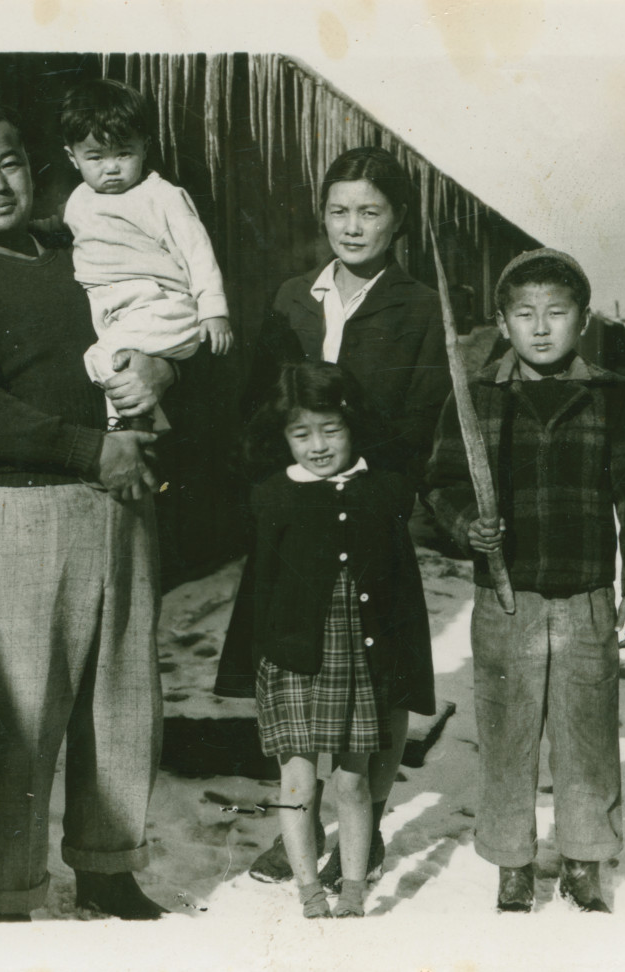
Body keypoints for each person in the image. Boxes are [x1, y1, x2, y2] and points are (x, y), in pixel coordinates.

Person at [0, 102, 177, 922]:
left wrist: (160, 370)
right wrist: (94, 450)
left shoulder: (81, 255)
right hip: (17, 515)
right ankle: (8, 893)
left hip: (121, 500)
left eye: (10, 161)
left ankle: (109, 866)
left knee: (123, 698)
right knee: (14, 718)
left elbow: (150, 316)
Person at [219, 146, 448, 890]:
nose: (353, 227)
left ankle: (368, 827)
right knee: (294, 678)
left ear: (399, 220)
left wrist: (382, 497)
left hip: (371, 519)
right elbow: (258, 406)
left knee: (376, 683)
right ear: (323, 214)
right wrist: (271, 492)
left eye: (371, 212)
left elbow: (418, 425)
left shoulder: (417, 307)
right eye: (340, 210)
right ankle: (302, 829)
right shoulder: (294, 296)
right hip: (295, 524)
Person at [425, 247, 625, 914]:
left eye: (556, 313)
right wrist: (468, 523)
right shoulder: (477, 395)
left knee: (588, 733)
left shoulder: (611, 396)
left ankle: (586, 857)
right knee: (507, 733)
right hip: (506, 597)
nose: (540, 327)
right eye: (524, 314)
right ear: (503, 323)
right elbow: (440, 485)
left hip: (588, 596)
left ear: (582, 320)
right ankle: (511, 859)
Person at [229, 362, 435, 919]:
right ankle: (308, 893)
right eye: (301, 434)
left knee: (352, 779)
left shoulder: (384, 490)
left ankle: (351, 889)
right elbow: (261, 588)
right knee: (297, 778)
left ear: (354, 426)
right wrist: (254, 666)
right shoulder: (272, 496)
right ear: (283, 437)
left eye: (331, 430)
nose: (317, 446)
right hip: (294, 658)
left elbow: (401, 590)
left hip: (360, 660)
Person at [59, 77, 233, 432]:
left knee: (101, 358)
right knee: (118, 362)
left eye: (124, 153)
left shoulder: (163, 196)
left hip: (163, 308)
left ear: (145, 147)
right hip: (116, 312)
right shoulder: (78, 199)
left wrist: (213, 311)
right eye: (95, 157)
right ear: (72, 157)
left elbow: (198, 251)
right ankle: (141, 427)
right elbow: (61, 228)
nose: (111, 167)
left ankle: (136, 429)